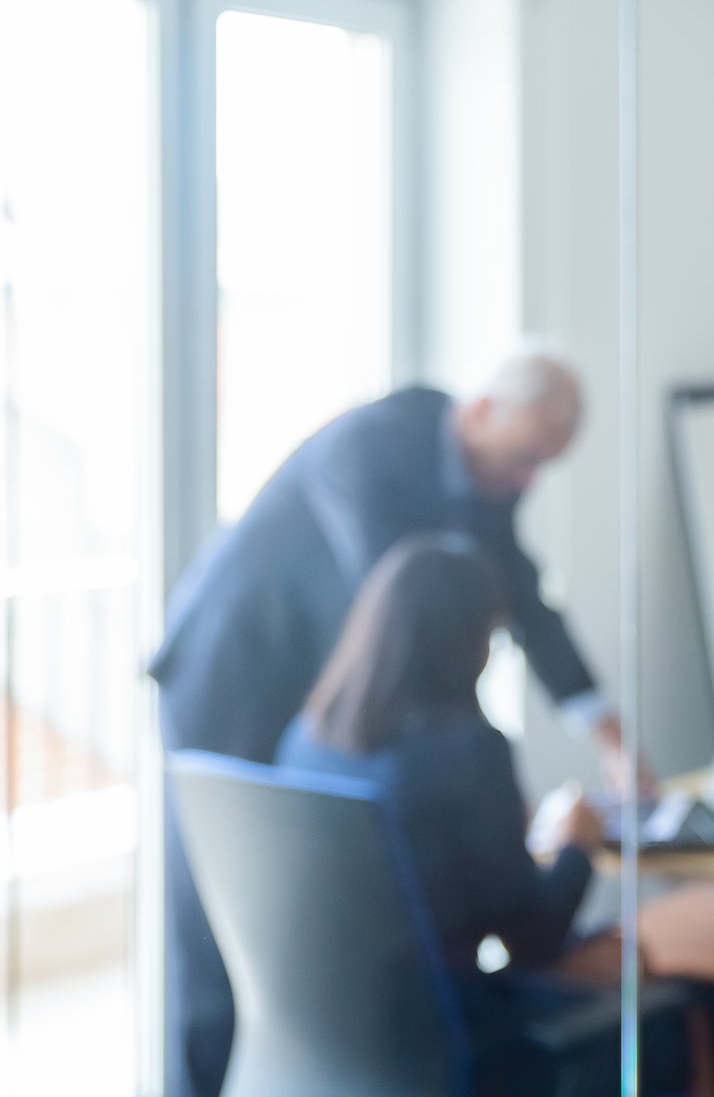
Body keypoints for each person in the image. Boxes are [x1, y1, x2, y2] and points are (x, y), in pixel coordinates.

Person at [151, 349, 646, 1097]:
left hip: (315, 706)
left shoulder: (488, 473)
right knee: (225, 929)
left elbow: (525, 601)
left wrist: (608, 733)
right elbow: (408, 623)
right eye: (523, 458)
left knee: (307, 924)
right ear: (481, 411)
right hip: (232, 682)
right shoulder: (370, 449)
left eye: (542, 466)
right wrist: (481, 766)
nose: (526, 482)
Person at [277, 535, 665, 1097]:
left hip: (328, 1039)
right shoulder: (468, 751)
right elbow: (533, 939)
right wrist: (576, 846)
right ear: (469, 643)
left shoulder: (309, 738)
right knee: (653, 984)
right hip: (448, 1036)